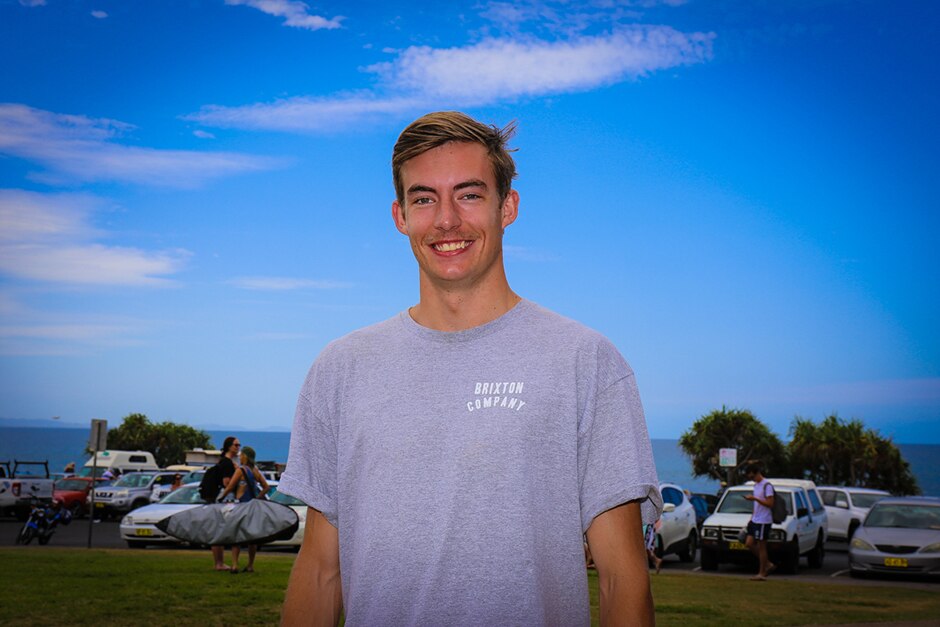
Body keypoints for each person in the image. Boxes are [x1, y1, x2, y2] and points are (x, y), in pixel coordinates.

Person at [278, 111, 662, 626]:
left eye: (469, 194)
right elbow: (322, 570)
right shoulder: (340, 370)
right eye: (424, 198)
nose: (446, 220)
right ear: (400, 216)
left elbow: (623, 580)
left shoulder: (584, 362)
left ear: (508, 207)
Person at [218, 445, 270, 574]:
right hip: (252, 506)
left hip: (241, 505)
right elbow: (266, 487)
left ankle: (234, 565)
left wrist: (221, 497)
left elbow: (230, 487)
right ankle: (250, 565)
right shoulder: (255, 470)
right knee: (252, 537)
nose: (239, 457)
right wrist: (258, 497)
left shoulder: (241, 470)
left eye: (241, 455)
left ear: (245, 456)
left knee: (237, 535)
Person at [210, 436, 240, 572]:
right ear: (229, 446)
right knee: (220, 528)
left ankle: (219, 562)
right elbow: (226, 483)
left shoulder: (227, 462)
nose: (238, 447)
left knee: (219, 528)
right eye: (236, 445)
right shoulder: (227, 463)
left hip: (221, 497)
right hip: (226, 498)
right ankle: (219, 562)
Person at [743, 461, 776, 581]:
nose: (752, 479)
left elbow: (770, 503)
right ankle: (767, 564)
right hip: (755, 519)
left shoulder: (767, 485)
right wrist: (751, 518)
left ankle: (762, 573)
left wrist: (755, 498)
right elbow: (756, 506)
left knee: (762, 546)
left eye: (752, 476)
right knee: (749, 543)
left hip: (764, 520)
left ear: (757, 473)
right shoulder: (756, 486)